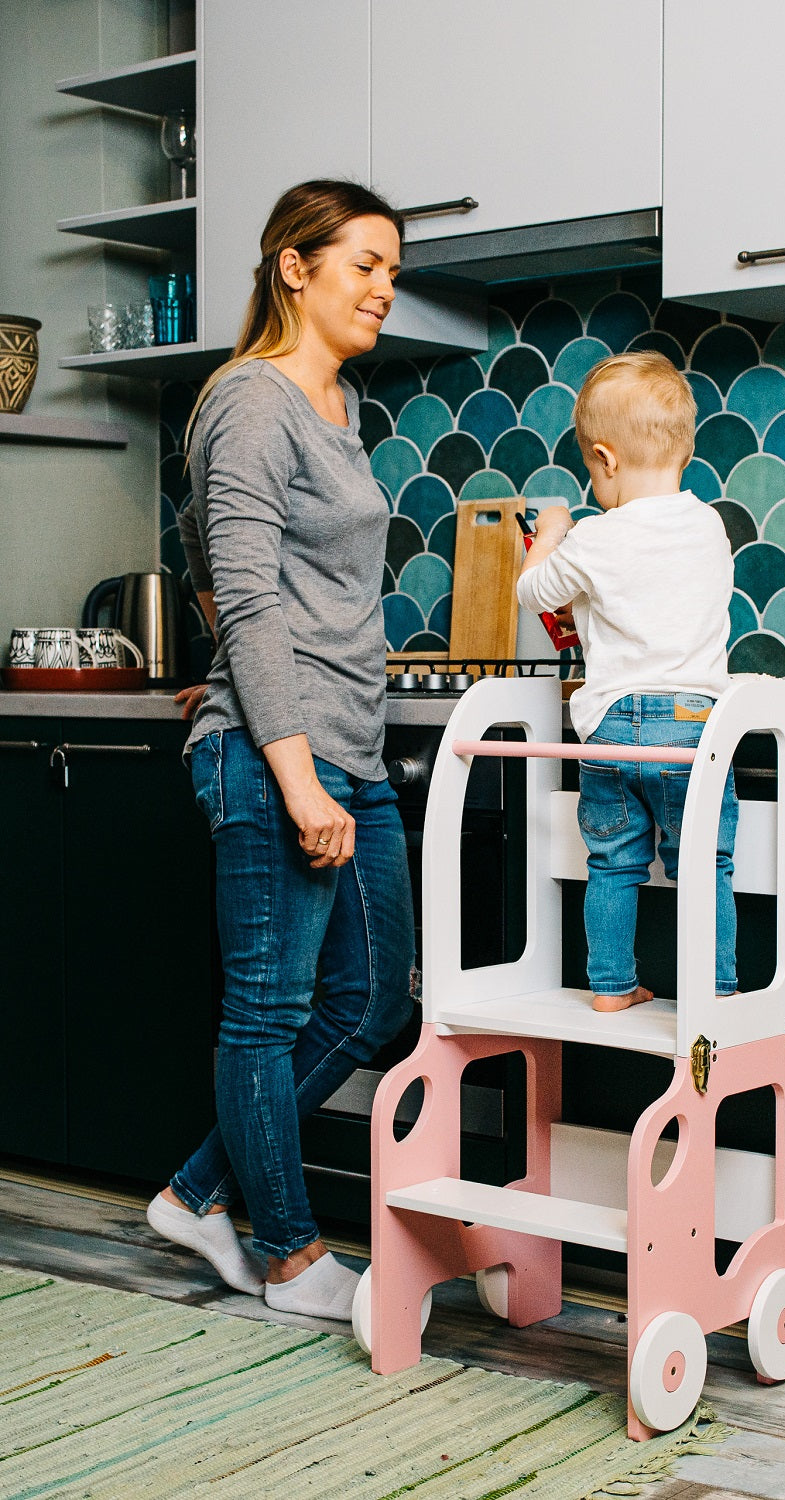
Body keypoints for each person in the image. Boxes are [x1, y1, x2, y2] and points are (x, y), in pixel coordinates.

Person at [146, 180, 416, 1321]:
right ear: (292, 268)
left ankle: (196, 1191)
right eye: (363, 264)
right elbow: (245, 595)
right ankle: (295, 1257)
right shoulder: (251, 401)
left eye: (392, 271)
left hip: (344, 741)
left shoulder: (340, 405)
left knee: (374, 1002)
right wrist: (291, 765)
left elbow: (232, 579)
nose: (384, 290)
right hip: (277, 757)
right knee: (266, 1009)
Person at [517, 351, 737, 1013]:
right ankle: (714, 991)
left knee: (612, 863)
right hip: (697, 726)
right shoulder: (708, 524)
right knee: (704, 867)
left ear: (604, 459)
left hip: (612, 725)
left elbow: (533, 592)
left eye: (590, 466)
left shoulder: (594, 537)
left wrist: (552, 533)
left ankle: (610, 987)